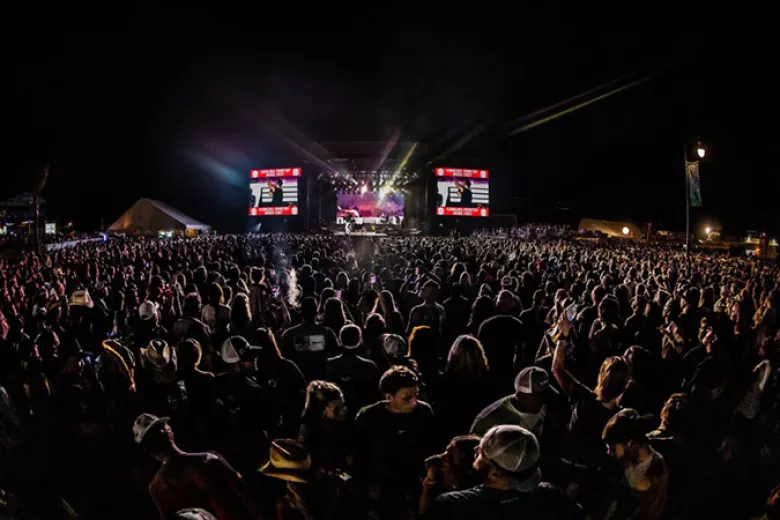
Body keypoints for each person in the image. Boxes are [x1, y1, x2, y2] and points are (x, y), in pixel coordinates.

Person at [429, 425, 583, 519]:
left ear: (495, 474)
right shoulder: (553, 498)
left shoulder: (453, 505)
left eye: (482, 453)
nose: (476, 450)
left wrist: (426, 493)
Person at [133, 413, 264, 520]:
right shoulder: (208, 459)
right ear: (169, 432)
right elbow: (246, 496)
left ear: (151, 452)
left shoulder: (157, 488)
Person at [354, 365, 435, 518]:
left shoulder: (424, 413)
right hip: (382, 487)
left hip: (415, 484)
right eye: (406, 398)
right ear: (388, 397)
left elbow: (431, 447)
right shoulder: (369, 418)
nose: (413, 402)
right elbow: (360, 456)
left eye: (416, 395)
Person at [602, 409, 669, 520]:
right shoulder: (625, 460)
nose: (608, 452)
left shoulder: (655, 468)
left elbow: (652, 511)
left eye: (613, 448)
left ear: (631, 443)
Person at [470, 366, 557, 441]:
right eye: (539, 396)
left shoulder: (545, 405)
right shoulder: (488, 421)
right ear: (520, 395)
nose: (544, 399)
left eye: (546, 393)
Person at [280, 297, 339, 381]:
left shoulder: (289, 334)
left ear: (300, 311)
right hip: (321, 381)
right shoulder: (327, 333)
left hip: (297, 381)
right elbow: (335, 356)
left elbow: (283, 358)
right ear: (317, 311)